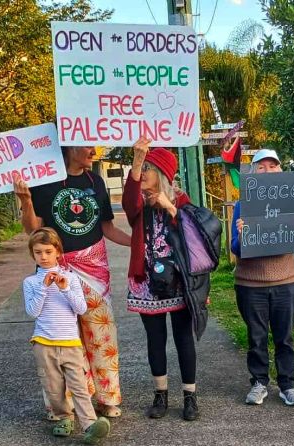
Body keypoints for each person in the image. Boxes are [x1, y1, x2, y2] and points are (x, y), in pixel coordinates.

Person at [15, 146, 131, 419]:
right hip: (56, 269)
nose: (93, 150)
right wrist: (26, 201)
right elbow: (35, 230)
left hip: (94, 268)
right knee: (61, 338)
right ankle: (63, 405)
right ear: (68, 146)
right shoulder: (45, 181)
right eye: (85, 145)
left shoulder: (96, 181)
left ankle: (106, 397)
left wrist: (137, 243)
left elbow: (107, 227)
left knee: (102, 335)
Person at [123, 137, 222, 421]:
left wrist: (170, 207)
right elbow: (128, 205)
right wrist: (137, 160)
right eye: (142, 170)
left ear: (164, 175)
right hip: (146, 284)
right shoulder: (139, 203)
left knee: (183, 339)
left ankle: (190, 397)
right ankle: (160, 395)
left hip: (180, 282)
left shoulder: (181, 201)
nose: (142, 176)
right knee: (155, 340)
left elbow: (201, 233)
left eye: (148, 170)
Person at [23, 228, 111, 444]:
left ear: (58, 253)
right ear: (32, 254)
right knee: (53, 388)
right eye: (38, 253)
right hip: (44, 343)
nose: (43, 257)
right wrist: (44, 288)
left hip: (70, 342)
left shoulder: (71, 279)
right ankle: (64, 417)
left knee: (79, 386)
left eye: (48, 251)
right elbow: (33, 312)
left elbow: (81, 308)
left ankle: (90, 425)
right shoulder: (31, 282)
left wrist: (64, 288)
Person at [230, 149, 294, 407]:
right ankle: (259, 382)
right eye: (261, 166)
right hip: (251, 283)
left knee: (286, 336)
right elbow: (235, 248)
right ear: (252, 173)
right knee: (257, 336)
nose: (267, 170)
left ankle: (287, 384)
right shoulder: (242, 205)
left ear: (281, 171)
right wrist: (242, 235)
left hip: (286, 280)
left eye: (273, 166)